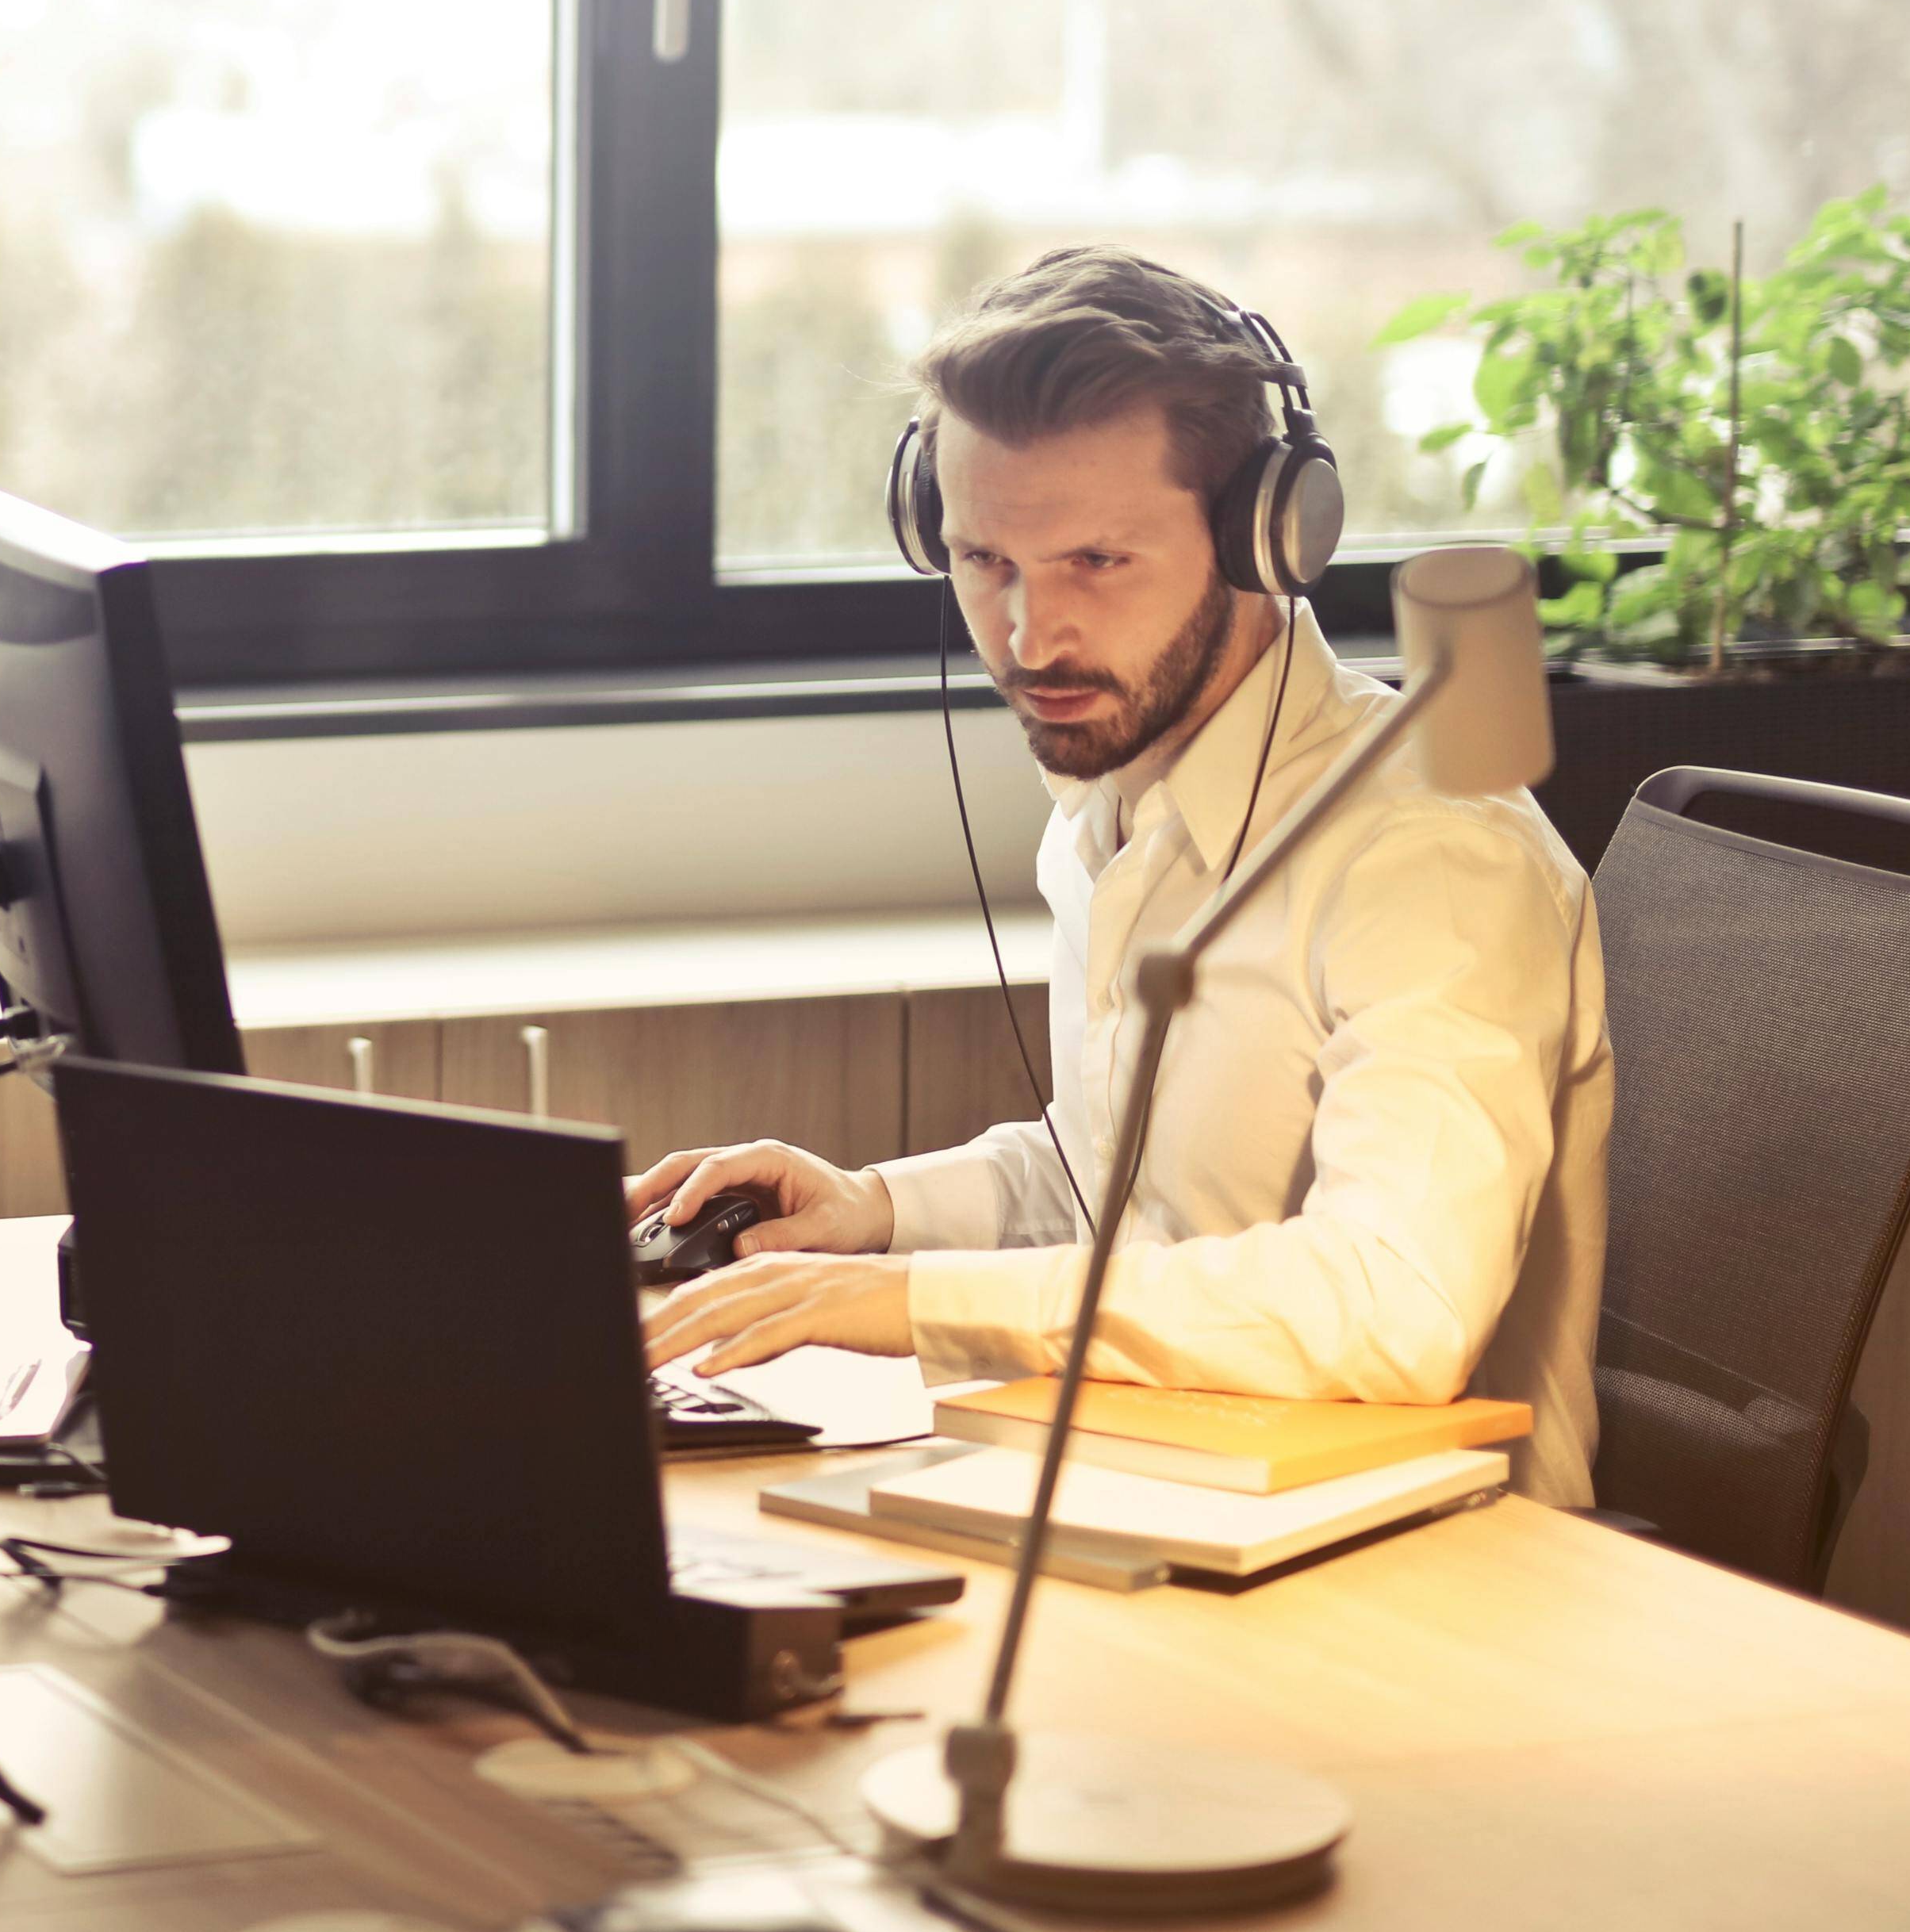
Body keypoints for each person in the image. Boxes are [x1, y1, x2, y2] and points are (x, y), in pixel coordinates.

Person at [639, 247, 1612, 1502]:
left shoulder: (1433, 855)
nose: (1030, 639)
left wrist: (914, 1300)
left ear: (1268, 537)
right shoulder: (1116, 798)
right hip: (1166, 1484)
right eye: (985, 563)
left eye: (1097, 563)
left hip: (1430, 1567)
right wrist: (876, 1212)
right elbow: (1126, 1191)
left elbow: (1396, 1307)